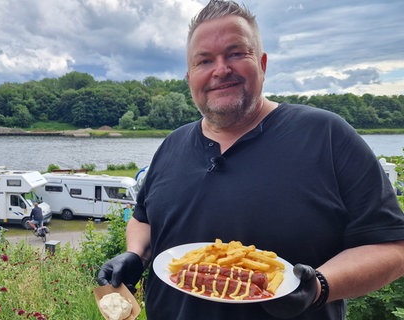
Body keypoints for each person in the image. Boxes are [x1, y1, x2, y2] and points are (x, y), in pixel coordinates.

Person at [97, 1, 404, 319]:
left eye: (235, 53)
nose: (220, 70)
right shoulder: (172, 145)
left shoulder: (326, 135)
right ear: (189, 77)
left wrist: (320, 288)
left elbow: (391, 247)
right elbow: (143, 219)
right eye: (205, 61)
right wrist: (136, 254)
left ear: (262, 63)